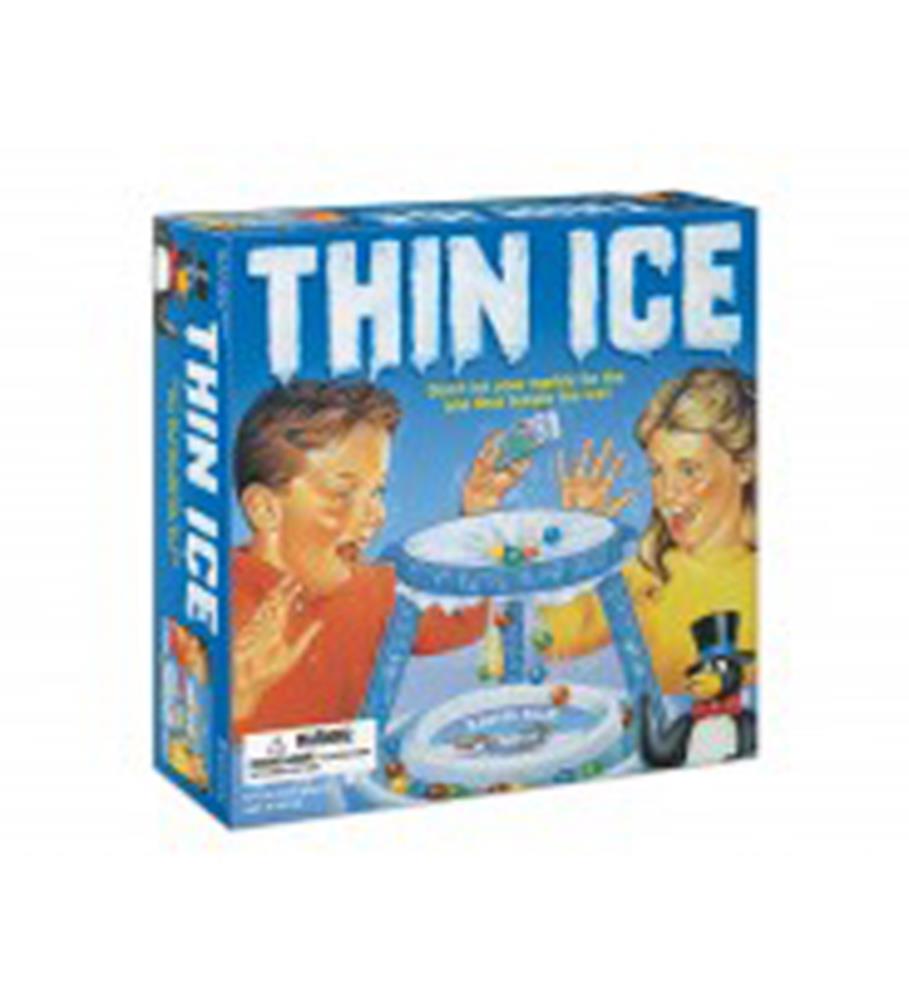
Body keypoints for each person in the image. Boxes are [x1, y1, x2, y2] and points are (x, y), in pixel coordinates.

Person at [231, 380, 529, 738]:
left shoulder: (376, 591)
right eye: (342, 493)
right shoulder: (215, 602)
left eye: (378, 491)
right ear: (265, 509)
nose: (376, 515)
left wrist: (478, 513)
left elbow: (459, 618)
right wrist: (239, 698)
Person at [540, 367, 757, 698]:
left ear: (744, 467)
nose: (667, 493)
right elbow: (552, 639)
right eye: (657, 471)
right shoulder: (649, 573)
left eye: (689, 470)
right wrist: (577, 537)